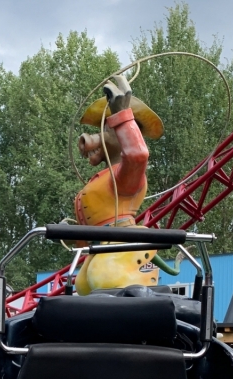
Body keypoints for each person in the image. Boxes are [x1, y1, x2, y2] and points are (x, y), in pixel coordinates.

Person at [73, 75, 181, 295]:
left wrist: (121, 116)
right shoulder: (102, 178)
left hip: (121, 242)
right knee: (81, 286)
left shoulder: (126, 176)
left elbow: (138, 155)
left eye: (108, 128)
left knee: (104, 277)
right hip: (100, 247)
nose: (100, 135)